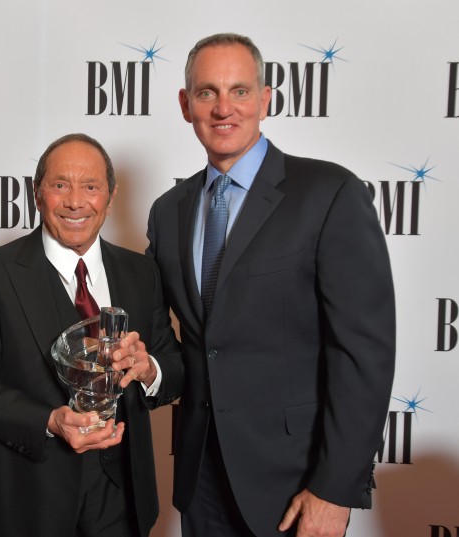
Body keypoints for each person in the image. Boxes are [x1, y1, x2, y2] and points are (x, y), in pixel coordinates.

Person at [146, 33, 396, 537]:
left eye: (240, 91)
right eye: (207, 92)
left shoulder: (329, 193)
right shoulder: (168, 211)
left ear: (265, 100)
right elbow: (178, 341)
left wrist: (334, 489)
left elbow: (363, 353)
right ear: (184, 104)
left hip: (297, 485)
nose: (223, 108)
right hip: (201, 481)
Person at [0, 133, 184, 537]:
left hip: (122, 503)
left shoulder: (142, 273)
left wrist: (148, 368)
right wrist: (49, 421)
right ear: (37, 194)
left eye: (91, 186)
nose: (75, 201)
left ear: (111, 195)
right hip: (22, 505)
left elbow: (174, 369)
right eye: (59, 185)